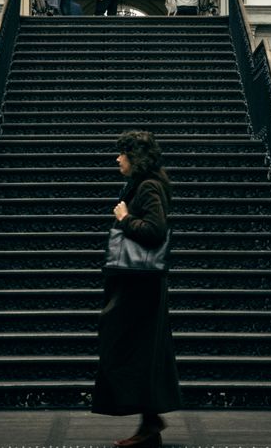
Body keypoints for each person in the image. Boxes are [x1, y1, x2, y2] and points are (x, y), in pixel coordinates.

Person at [93, 130, 181, 448]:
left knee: (129, 348)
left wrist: (125, 217)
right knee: (141, 352)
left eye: (122, 154)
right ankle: (149, 422)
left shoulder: (147, 187)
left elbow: (156, 231)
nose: (117, 159)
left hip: (140, 286)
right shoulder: (142, 184)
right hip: (138, 283)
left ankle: (150, 420)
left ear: (135, 158)